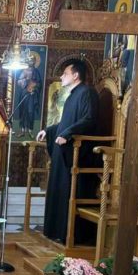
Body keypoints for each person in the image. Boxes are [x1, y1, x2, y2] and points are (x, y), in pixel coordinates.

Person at [36, 59, 100, 245]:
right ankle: (57, 231)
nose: (61, 77)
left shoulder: (87, 93)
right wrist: (49, 131)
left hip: (78, 152)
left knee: (68, 189)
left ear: (76, 75)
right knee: (58, 188)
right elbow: (66, 122)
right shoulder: (73, 96)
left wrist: (67, 134)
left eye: (65, 73)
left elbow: (89, 119)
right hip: (65, 148)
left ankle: (71, 234)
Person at [16, 56, 42, 138]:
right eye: (30, 60)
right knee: (23, 112)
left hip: (32, 95)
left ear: (34, 62)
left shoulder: (36, 72)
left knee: (30, 112)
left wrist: (34, 87)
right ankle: (22, 130)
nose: (31, 62)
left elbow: (39, 83)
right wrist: (26, 81)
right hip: (24, 94)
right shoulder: (24, 71)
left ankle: (30, 130)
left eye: (33, 61)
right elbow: (19, 81)